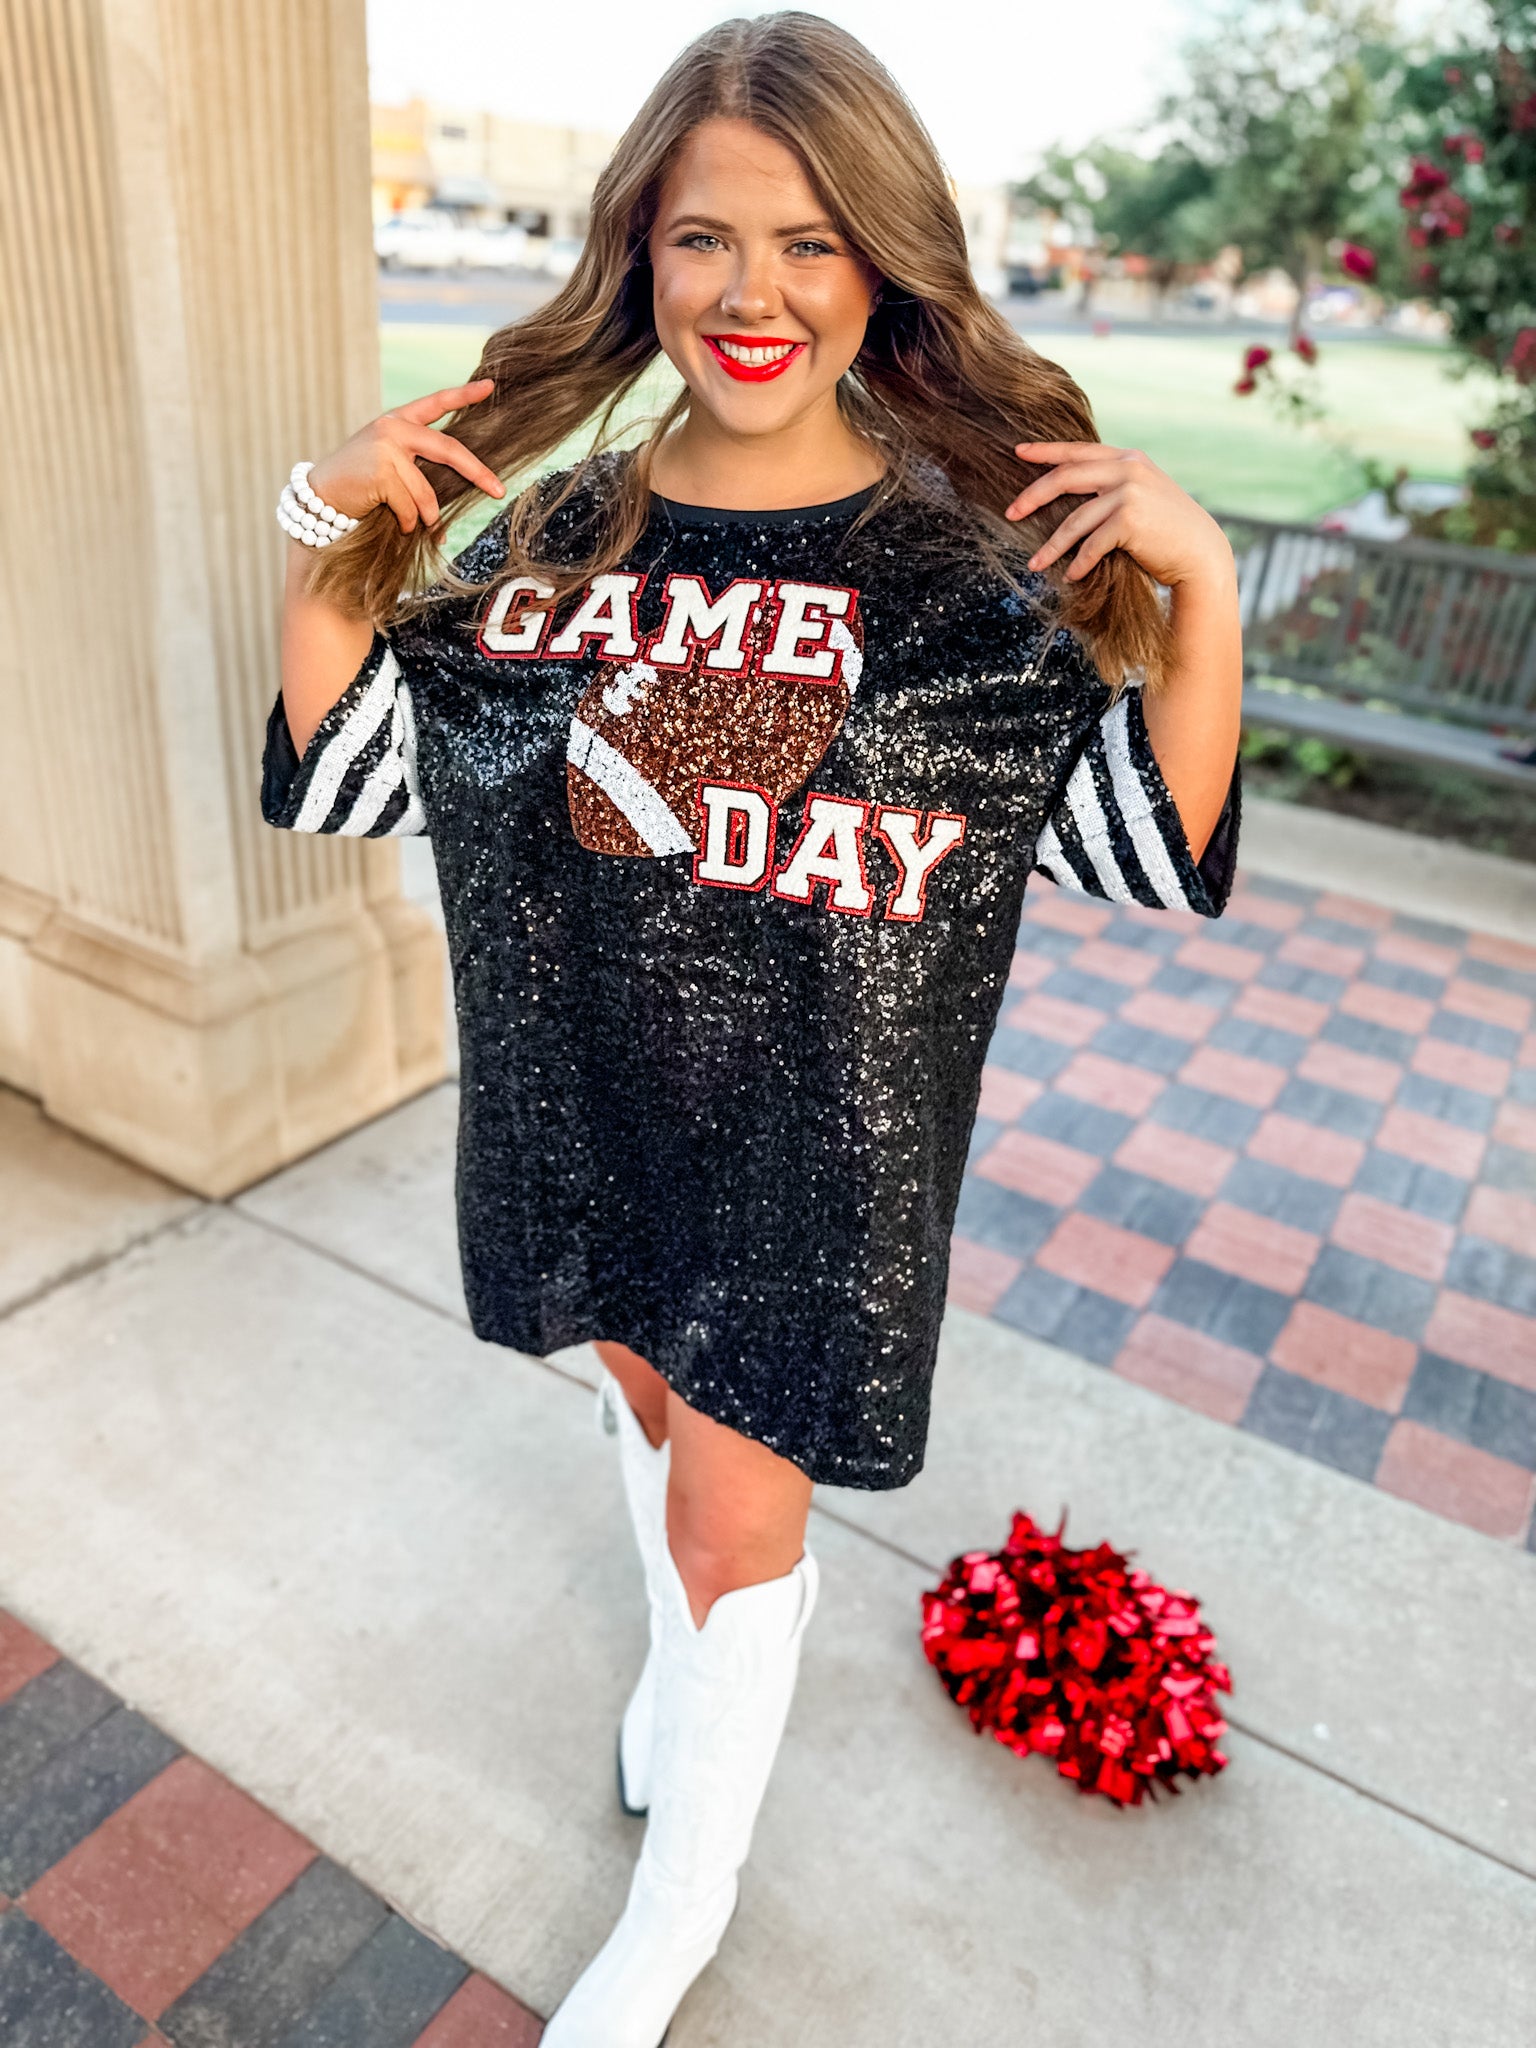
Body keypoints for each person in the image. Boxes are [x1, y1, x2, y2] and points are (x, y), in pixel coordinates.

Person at [262, 14, 1242, 2043]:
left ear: (880, 258)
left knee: (735, 1503)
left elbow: (1141, 839)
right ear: (642, 255)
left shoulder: (962, 575)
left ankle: (673, 1918)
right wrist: (322, 538)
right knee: (637, 1397)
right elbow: (361, 773)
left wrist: (1206, 591)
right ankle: (676, 1679)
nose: (755, 290)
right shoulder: (560, 534)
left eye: (808, 239)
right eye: (706, 237)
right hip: (593, 1105)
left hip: (819, 1162)